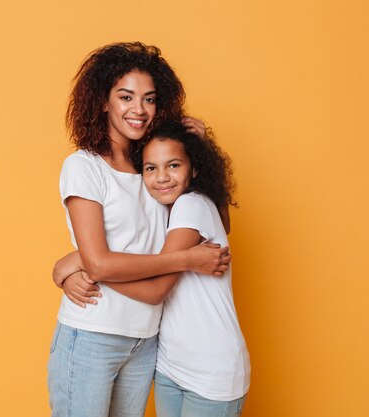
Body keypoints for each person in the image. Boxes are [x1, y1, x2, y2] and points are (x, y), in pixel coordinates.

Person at [47, 42, 231, 417]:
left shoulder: (155, 166)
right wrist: (187, 259)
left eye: (148, 99)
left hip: (146, 339)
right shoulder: (84, 167)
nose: (139, 109)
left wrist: (201, 148)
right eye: (126, 97)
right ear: (103, 101)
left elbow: (213, 225)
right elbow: (100, 263)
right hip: (92, 334)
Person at [62, 121, 250, 417]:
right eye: (150, 168)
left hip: (211, 371)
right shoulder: (166, 209)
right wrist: (89, 261)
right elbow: (221, 225)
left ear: (194, 168)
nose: (162, 177)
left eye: (174, 165)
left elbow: (155, 291)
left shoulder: (191, 205)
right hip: (171, 366)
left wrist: (88, 264)